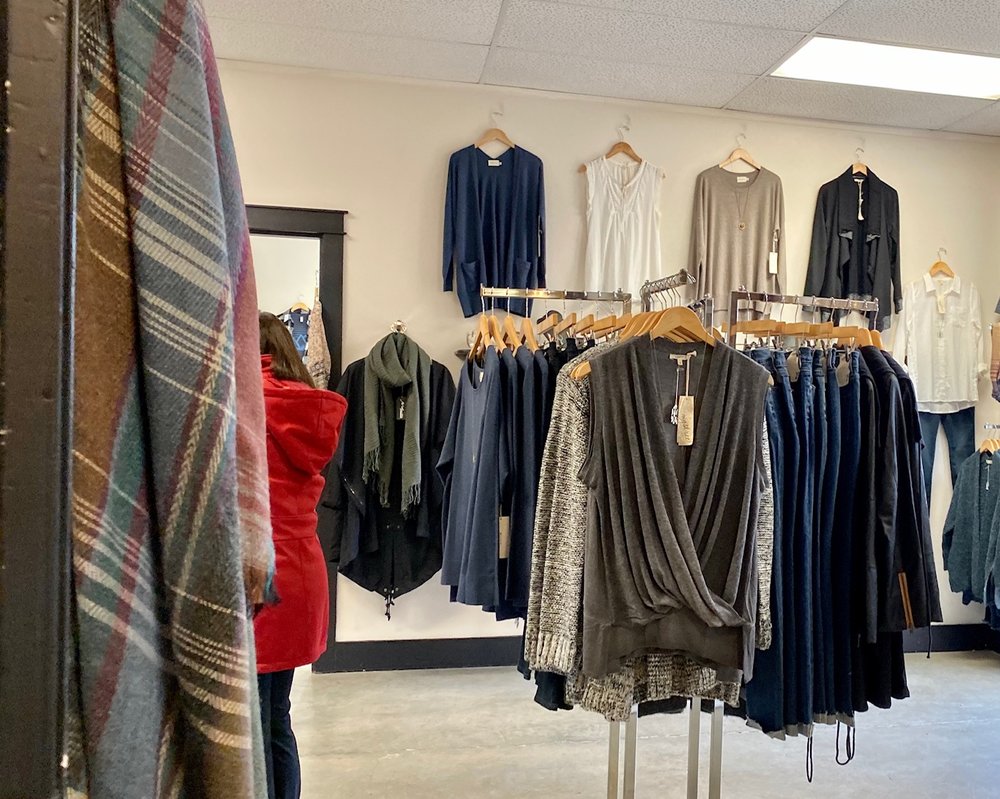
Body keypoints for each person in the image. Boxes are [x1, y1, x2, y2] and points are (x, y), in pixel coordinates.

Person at [255, 312, 348, 799]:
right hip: (301, 572)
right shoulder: (308, 408)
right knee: (277, 715)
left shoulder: (241, 401)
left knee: (251, 722)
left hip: (256, 574)